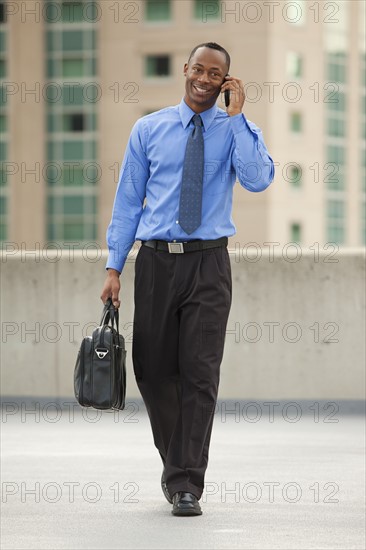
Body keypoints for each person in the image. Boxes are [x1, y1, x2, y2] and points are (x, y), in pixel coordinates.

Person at [101, 42, 274, 516]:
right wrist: (114, 267)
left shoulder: (236, 130)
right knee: (152, 370)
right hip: (156, 263)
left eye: (215, 73)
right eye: (199, 68)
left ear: (225, 82)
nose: (204, 78)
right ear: (186, 70)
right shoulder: (149, 129)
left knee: (200, 374)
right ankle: (177, 459)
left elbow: (259, 179)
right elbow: (127, 201)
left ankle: (185, 484)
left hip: (209, 265)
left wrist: (238, 117)